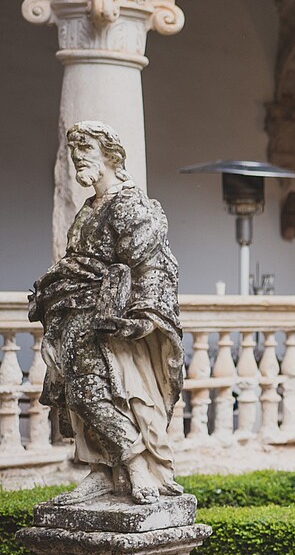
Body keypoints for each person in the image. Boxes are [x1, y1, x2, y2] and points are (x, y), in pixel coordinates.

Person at [29, 122, 185, 505]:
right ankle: (102, 469)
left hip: (108, 318)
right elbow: (74, 263)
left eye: (87, 149)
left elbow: (154, 265)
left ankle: (135, 465)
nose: (78, 157)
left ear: (110, 155)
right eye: (74, 151)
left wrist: (145, 316)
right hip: (74, 313)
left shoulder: (129, 204)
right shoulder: (88, 208)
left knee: (93, 393)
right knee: (76, 396)